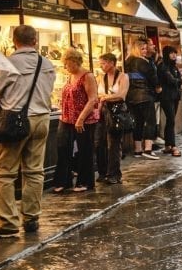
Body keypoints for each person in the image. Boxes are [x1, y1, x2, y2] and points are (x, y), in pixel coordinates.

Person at [0, 24, 57, 238]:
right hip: (42, 119)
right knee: (34, 171)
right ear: (35, 41)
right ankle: (32, 217)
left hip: (13, 121)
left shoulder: (8, 63)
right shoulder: (47, 63)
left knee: (4, 173)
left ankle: (7, 221)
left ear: (15, 41)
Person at [51, 49, 99, 193]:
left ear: (74, 61)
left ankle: (84, 181)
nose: (65, 67)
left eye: (66, 64)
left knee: (85, 150)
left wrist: (81, 119)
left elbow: (92, 99)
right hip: (66, 118)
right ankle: (63, 181)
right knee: (63, 148)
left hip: (83, 119)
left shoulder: (87, 76)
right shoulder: (70, 76)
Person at [95, 52, 128, 184]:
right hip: (102, 112)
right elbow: (97, 96)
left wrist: (105, 97)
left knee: (113, 144)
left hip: (116, 113)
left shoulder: (122, 77)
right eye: (101, 63)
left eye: (103, 63)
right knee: (99, 143)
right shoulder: (100, 78)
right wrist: (105, 97)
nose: (101, 66)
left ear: (112, 63)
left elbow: (122, 95)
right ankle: (102, 172)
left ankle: (114, 174)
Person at [125, 38, 161, 160]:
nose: (145, 51)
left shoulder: (128, 61)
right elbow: (153, 77)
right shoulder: (143, 62)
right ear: (137, 49)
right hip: (145, 95)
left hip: (131, 97)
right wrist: (158, 87)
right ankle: (148, 149)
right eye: (143, 49)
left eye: (146, 48)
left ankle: (137, 150)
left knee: (138, 123)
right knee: (150, 122)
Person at [157, 46, 182, 156]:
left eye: (175, 53)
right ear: (166, 54)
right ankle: (173, 146)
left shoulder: (174, 66)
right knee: (171, 120)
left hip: (175, 96)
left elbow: (177, 80)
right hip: (166, 97)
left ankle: (168, 145)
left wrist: (178, 81)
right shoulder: (163, 66)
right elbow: (172, 80)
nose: (174, 55)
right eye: (171, 53)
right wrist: (179, 81)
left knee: (170, 120)